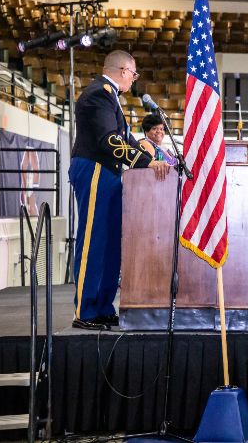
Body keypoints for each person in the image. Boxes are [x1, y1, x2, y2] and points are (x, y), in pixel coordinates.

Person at [70, 50, 170, 330]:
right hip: (95, 169)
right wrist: (146, 162)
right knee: (93, 241)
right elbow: (110, 141)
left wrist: (155, 158)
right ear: (124, 71)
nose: (133, 79)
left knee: (111, 243)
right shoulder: (97, 94)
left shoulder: (110, 96)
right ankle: (85, 310)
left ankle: (103, 306)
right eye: (134, 74)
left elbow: (126, 139)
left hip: (110, 173)